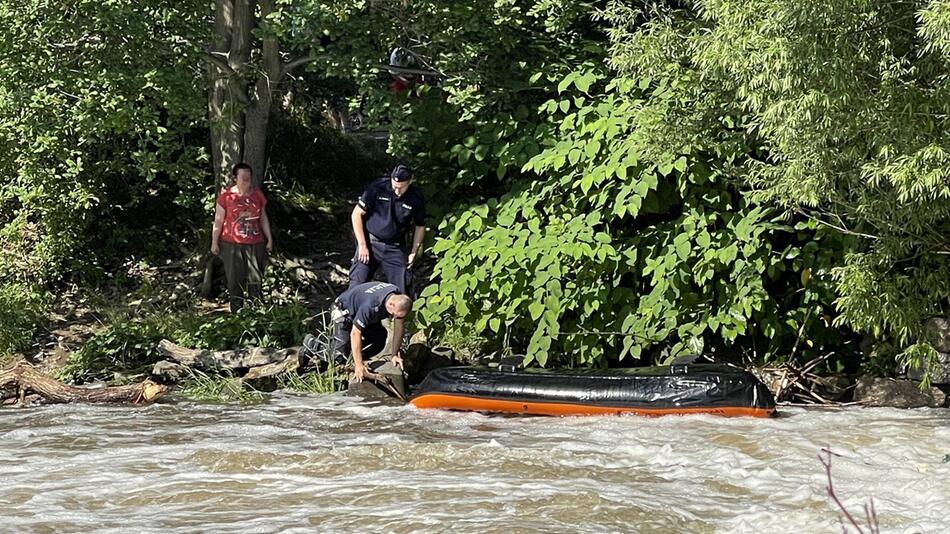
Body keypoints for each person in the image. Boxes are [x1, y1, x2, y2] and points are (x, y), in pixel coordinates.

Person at [303, 282, 411, 383]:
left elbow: (398, 327)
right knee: (337, 357)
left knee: (379, 339)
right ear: (391, 305)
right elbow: (355, 333)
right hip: (344, 312)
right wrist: (358, 366)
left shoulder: (396, 296)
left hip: (365, 314)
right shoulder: (371, 305)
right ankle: (312, 344)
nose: (395, 317)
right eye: (395, 315)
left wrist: (394, 355)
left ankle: (353, 356)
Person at [350, 164, 426, 295]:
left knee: (402, 291)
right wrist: (362, 245)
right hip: (370, 242)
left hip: (395, 246)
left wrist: (414, 251)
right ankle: (348, 313)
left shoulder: (415, 198)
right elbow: (356, 214)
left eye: (402, 188)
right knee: (356, 284)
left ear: (409, 182)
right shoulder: (377, 188)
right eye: (395, 186)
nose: (397, 191)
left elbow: (420, 226)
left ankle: (397, 314)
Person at [210, 163, 273, 312]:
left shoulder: (257, 195)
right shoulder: (226, 197)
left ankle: (255, 314)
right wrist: (214, 242)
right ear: (234, 178)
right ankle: (237, 315)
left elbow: (263, 218)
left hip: (255, 243)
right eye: (243, 177)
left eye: (248, 177)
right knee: (234, 282)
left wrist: (269, 238)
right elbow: (218, 221)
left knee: (255, 281)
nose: (246, 180)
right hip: (232, 245)